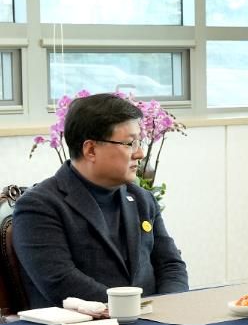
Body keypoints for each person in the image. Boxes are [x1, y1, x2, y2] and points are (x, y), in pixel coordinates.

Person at [13, 93, 188, 307]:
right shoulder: (39, 206)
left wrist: (169, 308)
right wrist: (134, 309)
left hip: (151, 319)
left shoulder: (142, 199)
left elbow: (171, 265)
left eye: (139, 142)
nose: (140, 153)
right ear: (91, 150)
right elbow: (60, 281)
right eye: (130, 143)